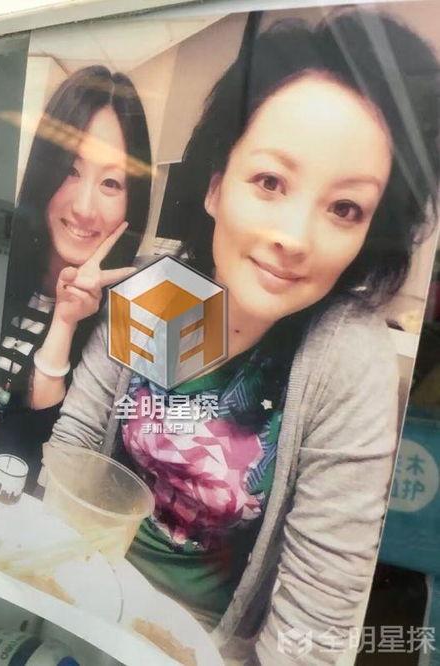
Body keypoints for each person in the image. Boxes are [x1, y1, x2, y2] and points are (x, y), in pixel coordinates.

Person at [44, 9, 439, 665]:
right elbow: (76, 450)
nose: (295, 237)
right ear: (215, 187)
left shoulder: (345, 358)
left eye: (344, 208)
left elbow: (314, 634)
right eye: (270, 182)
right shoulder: (167, 294)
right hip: (73, 595)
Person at [0, 65, 152, 490]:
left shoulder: (133, 320)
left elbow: (50, 461)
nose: (84, 208)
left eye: (111, 183)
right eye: (72, 170)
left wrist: (65, 323)